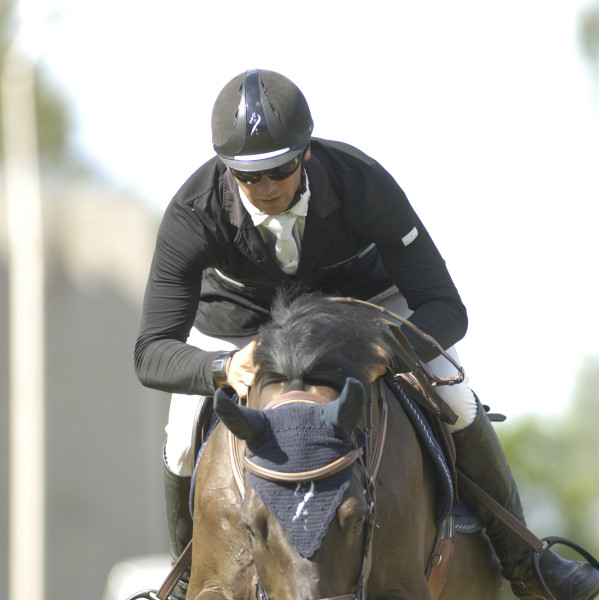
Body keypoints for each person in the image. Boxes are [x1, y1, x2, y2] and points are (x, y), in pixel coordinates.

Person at [135, 69, 599, 600]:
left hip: (365, 311)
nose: (266, 188)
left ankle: (526, 562)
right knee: (179, 446)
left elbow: (446, 307)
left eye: (280, 170)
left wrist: (389, 352)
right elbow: (150, 351)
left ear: (305, 153)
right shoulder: (193, 212)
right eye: (249, 177)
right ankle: (183, 580)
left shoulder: (360, 181)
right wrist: (221, 368)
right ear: (228, 170)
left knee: (456, 395)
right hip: (244, 328)